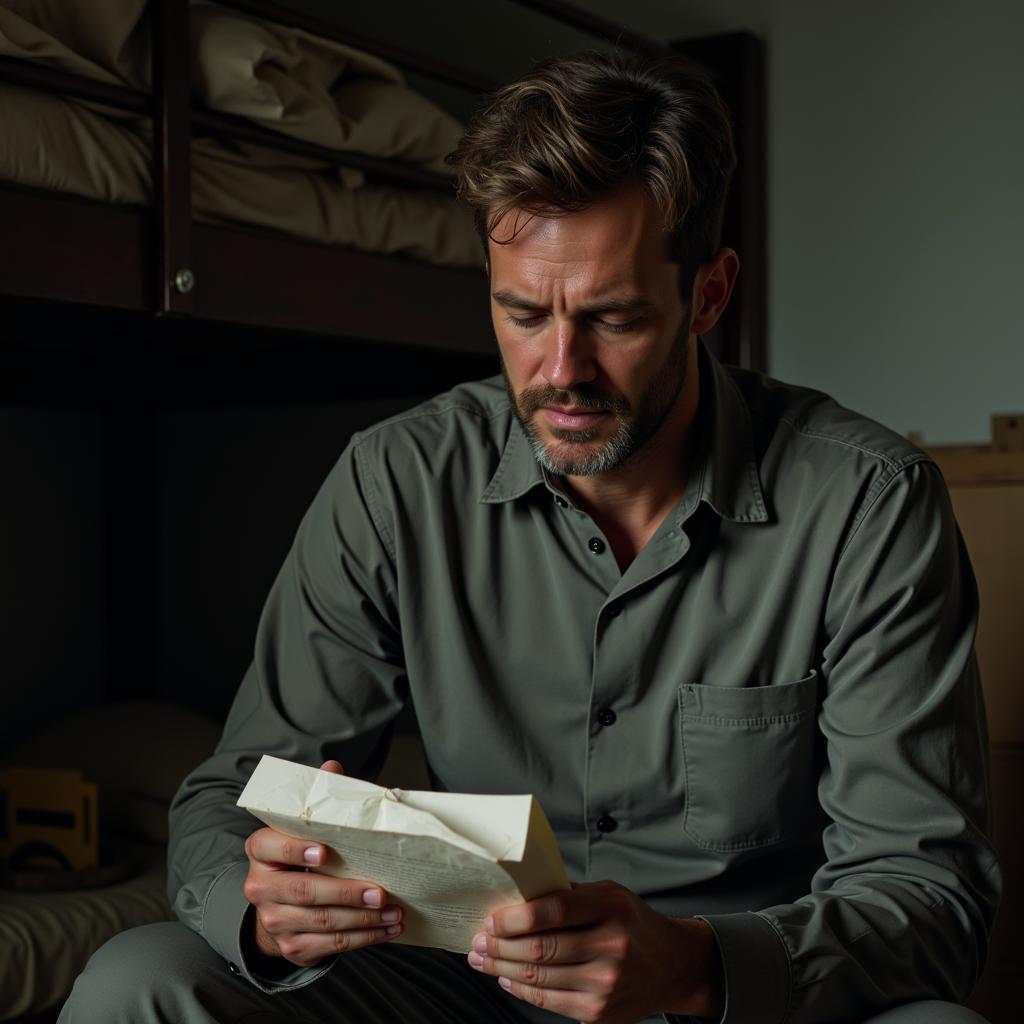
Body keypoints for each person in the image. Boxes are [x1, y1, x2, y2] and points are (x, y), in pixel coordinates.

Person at [60, 50, 999, 1024]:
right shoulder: (394, 481)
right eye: (522, 313)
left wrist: (693, 964)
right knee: (145, 980)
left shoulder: (869, 503)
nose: (561, 370)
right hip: (469, 993)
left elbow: (931, 898)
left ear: (707, 297)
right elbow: (231, 797)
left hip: (730, 998)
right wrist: (269, 911)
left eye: (613, 317)